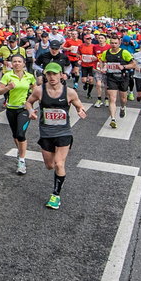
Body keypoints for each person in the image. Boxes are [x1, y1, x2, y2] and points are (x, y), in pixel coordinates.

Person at [26, 63, 88, 210]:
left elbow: (79, 104)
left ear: (61, 75)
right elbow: (28, 102)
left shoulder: (70, 92)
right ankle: (57, 176)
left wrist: (81, 110)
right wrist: (30, 111)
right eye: (49, 74)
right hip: (46, 133)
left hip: (63, 132)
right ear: (45, 75)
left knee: (59, 164)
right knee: (50, 165)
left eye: (55, 74)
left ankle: (56, 195)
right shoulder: (39, 90)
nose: (52, 77)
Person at [0, 54, 36, 175]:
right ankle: (21, 151)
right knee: (15, 135)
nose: (17, 63)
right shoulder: (7, 76)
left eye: (19, 61)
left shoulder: (29, 76)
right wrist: (8, 87)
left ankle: (22, 161)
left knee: (20, 134)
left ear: (24, 63)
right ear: (11, 64)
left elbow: (36, 91)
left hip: (23, 109)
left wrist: (31, 105)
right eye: (14, 61)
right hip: (11, 109)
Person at [98, 37, 135, 128]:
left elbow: (133, 64)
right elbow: (102, 61)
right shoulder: (106, 53)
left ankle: (122, 107)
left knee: (123, 99)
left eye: (115, 43)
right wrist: (103, 68)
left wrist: (125, 67)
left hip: (123, 78)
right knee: (112, 98)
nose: (113, 45)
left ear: (119, 44)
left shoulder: (124, 53)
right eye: (112, 43)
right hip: (111, 78)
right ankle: (113, 119)